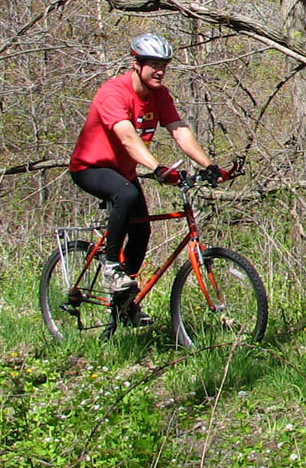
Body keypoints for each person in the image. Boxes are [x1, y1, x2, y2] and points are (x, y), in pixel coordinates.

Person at [69, 33, 217, 325]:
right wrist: (157, 168)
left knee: (142, 232)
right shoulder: (114, 92)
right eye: (153, 64)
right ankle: (111, 265)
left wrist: (210, 165)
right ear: (136, 64)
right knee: (126, 195)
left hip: (122, 172)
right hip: (90, 167)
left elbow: (179, 130)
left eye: (164, 65)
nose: (160, 71)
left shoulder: (160, 95)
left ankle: (125, 304)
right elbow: (127, 137)